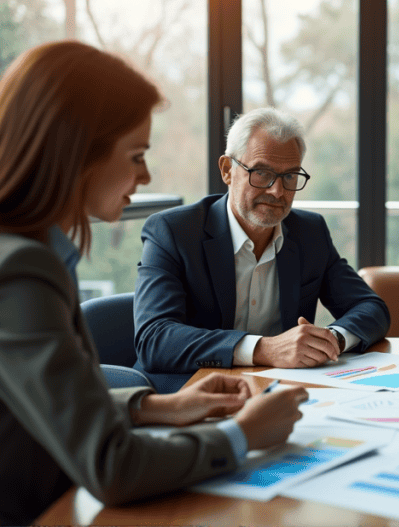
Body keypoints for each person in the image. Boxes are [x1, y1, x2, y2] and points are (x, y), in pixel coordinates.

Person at [0, 41, 308, 525]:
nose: (144, 175)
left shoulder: (29, 254)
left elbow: (39, 402)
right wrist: (243, 435)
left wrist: (157, 407)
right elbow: (112, 466)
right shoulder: (20, 271)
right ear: (77, 152)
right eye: (136, 154)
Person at [134, 107, 389, 392]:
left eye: (290, 176)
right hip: (190, 392)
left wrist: (331, 340)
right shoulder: (173, 232)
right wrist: (263, 349)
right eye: (262, 173)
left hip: (279, 391)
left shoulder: (309, 232)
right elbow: (154, 339)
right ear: (227, 170)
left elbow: (371, 308)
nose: (277, 191)